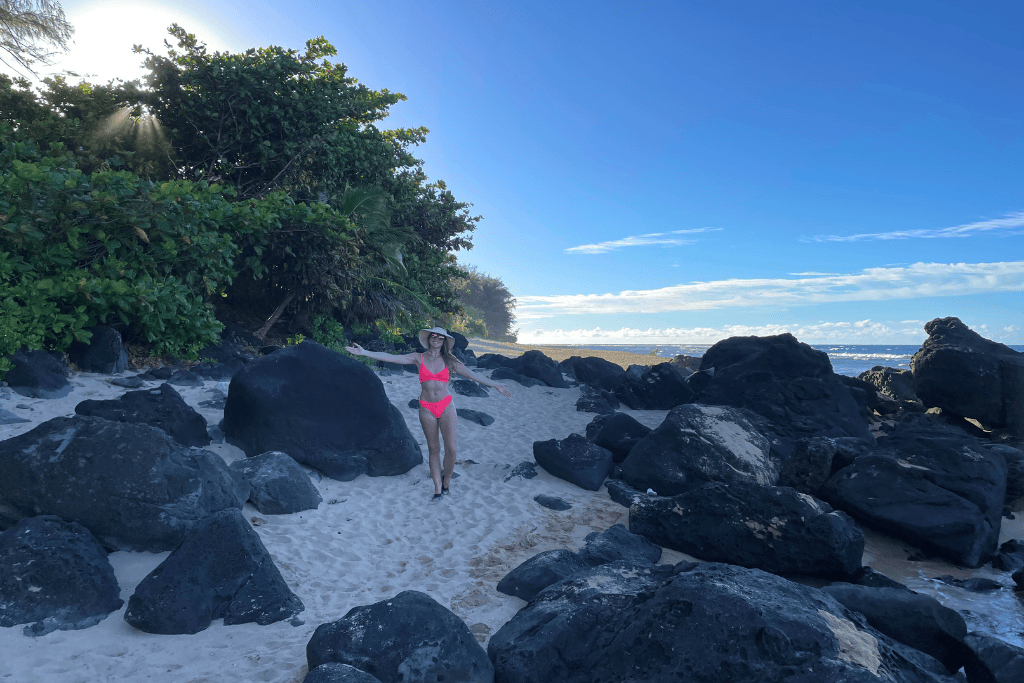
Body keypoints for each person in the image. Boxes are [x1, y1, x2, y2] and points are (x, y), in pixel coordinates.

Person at [345, 327, 512, 500]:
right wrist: (364, 352)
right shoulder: (418, 358)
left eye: (441, 337)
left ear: (444, 341)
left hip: (446, 405)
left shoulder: (450, 361)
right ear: (430, 338)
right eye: (435, 336)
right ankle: (438, 489)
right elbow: (393, 357)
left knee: (452, 449)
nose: (437, 339)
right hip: (426, 407)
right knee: (434, 449)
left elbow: (471, 374)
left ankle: (447, 482)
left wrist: (495, 385)